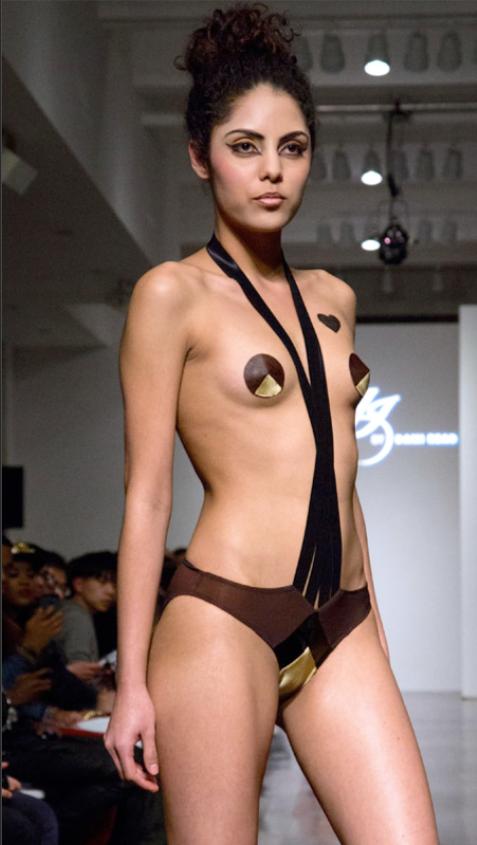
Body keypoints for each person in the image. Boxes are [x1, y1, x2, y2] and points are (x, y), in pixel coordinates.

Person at [104, 4, 439, 843]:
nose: (271, 171)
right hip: (223, 618)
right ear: (200, 156)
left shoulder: (334, 297)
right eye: (244, 146)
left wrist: (375, 630)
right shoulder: (171, 295)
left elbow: (342, 476)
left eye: (291, 148)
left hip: (341, 617)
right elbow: (146, 497)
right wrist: (130, 681)